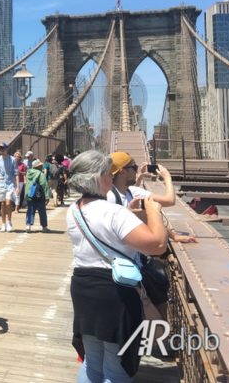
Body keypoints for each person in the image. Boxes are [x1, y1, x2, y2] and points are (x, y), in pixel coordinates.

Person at [66, 151, 168, 382]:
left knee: (92, 361)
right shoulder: (114, 212)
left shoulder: (73, 210)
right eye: (107, 175)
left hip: (82, 287)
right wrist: (153, 213)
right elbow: (158, 244)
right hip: (115, 293)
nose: (111, 179)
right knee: (117, 364)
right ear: (97, 178)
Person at [0, 142, 18, 232]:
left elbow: (16, 173)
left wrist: (17, 186)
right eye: (0, 149)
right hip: (1, 184)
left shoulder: (13, 159)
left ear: (7, 149)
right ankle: (3, 224)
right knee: (3, 204)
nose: (2, 150)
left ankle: (9, 221)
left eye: (3, 148)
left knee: (8, 203)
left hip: (10, 183)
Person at [23, 159, 51, 232]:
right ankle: (44, 227)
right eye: (40, 165)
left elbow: (27, 184)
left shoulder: (28, 173)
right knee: (42, 211)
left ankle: (28, 225)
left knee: (30, 211)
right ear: (38, 166)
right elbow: (44, 185)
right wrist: (47, 196)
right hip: (39, 195)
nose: (42, 166)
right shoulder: (40, 174)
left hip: (30, 195)